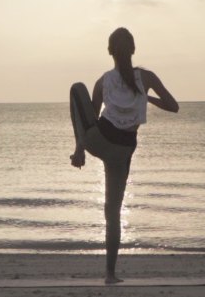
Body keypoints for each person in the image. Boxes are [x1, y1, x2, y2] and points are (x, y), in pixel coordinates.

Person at [69, 27, 179, 284]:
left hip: (100, 140)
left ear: (110, 52)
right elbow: (174, 106)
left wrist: (80, 146)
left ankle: (79, 151)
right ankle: (110, 275)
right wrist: (147, 99)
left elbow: (90, 119)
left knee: (76, 89)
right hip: (124, 150)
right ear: (133, 50)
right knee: (113, 213)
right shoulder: (147, 77)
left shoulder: (103, 81)